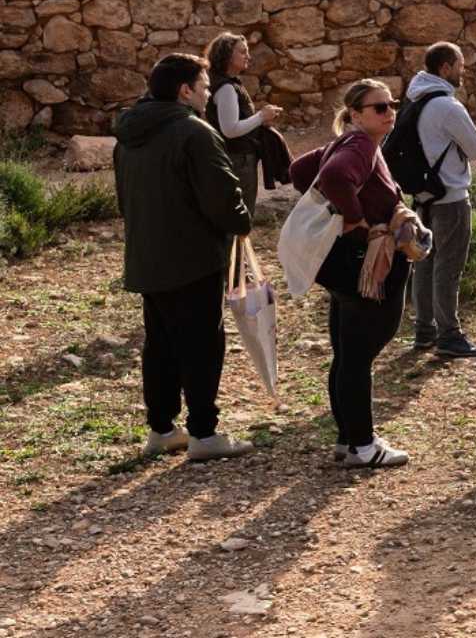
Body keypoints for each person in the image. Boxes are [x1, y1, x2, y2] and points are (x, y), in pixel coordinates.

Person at [114, 53, 255, 462]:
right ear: (185, 90)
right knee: (202, 345)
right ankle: (204, 433)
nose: (208, 94)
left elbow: (124, 199)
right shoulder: (194, 132)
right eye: (204, 87)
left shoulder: (129, 134)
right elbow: (222, 195)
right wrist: (241, 223)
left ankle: (162, 429)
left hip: (147, 256)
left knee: (160, 344)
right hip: (193, 258)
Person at [289, 79, 417, 468]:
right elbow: (332, 177)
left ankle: (348, 440)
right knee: (358, 357)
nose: (389, 112)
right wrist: (356, 217)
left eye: (392, 104)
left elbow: (299, 171)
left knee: (348, 355)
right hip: (365, 261)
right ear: (356, 115)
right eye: (379, 107)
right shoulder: (360, 145)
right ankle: (362, 445)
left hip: (343, 262)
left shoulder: (350, 142)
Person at [404, 41, 476, 359]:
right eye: (460, 66)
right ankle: (449, 335)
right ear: (446, 68)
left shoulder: (414, 99)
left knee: (424, 263)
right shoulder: (447, 106)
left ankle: (424, 331)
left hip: (423, 197)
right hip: (451, 197)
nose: (462, 72)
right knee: (448, 267)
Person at [202, 33, 282, 223]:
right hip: (237, 159)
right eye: (243, 52)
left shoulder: (218, 81)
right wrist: (262, 116)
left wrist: (259, 120)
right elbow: (230, 129)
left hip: (229, 156)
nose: (248, 56)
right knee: (240, 216)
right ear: (227, 55)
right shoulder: (226, 88)